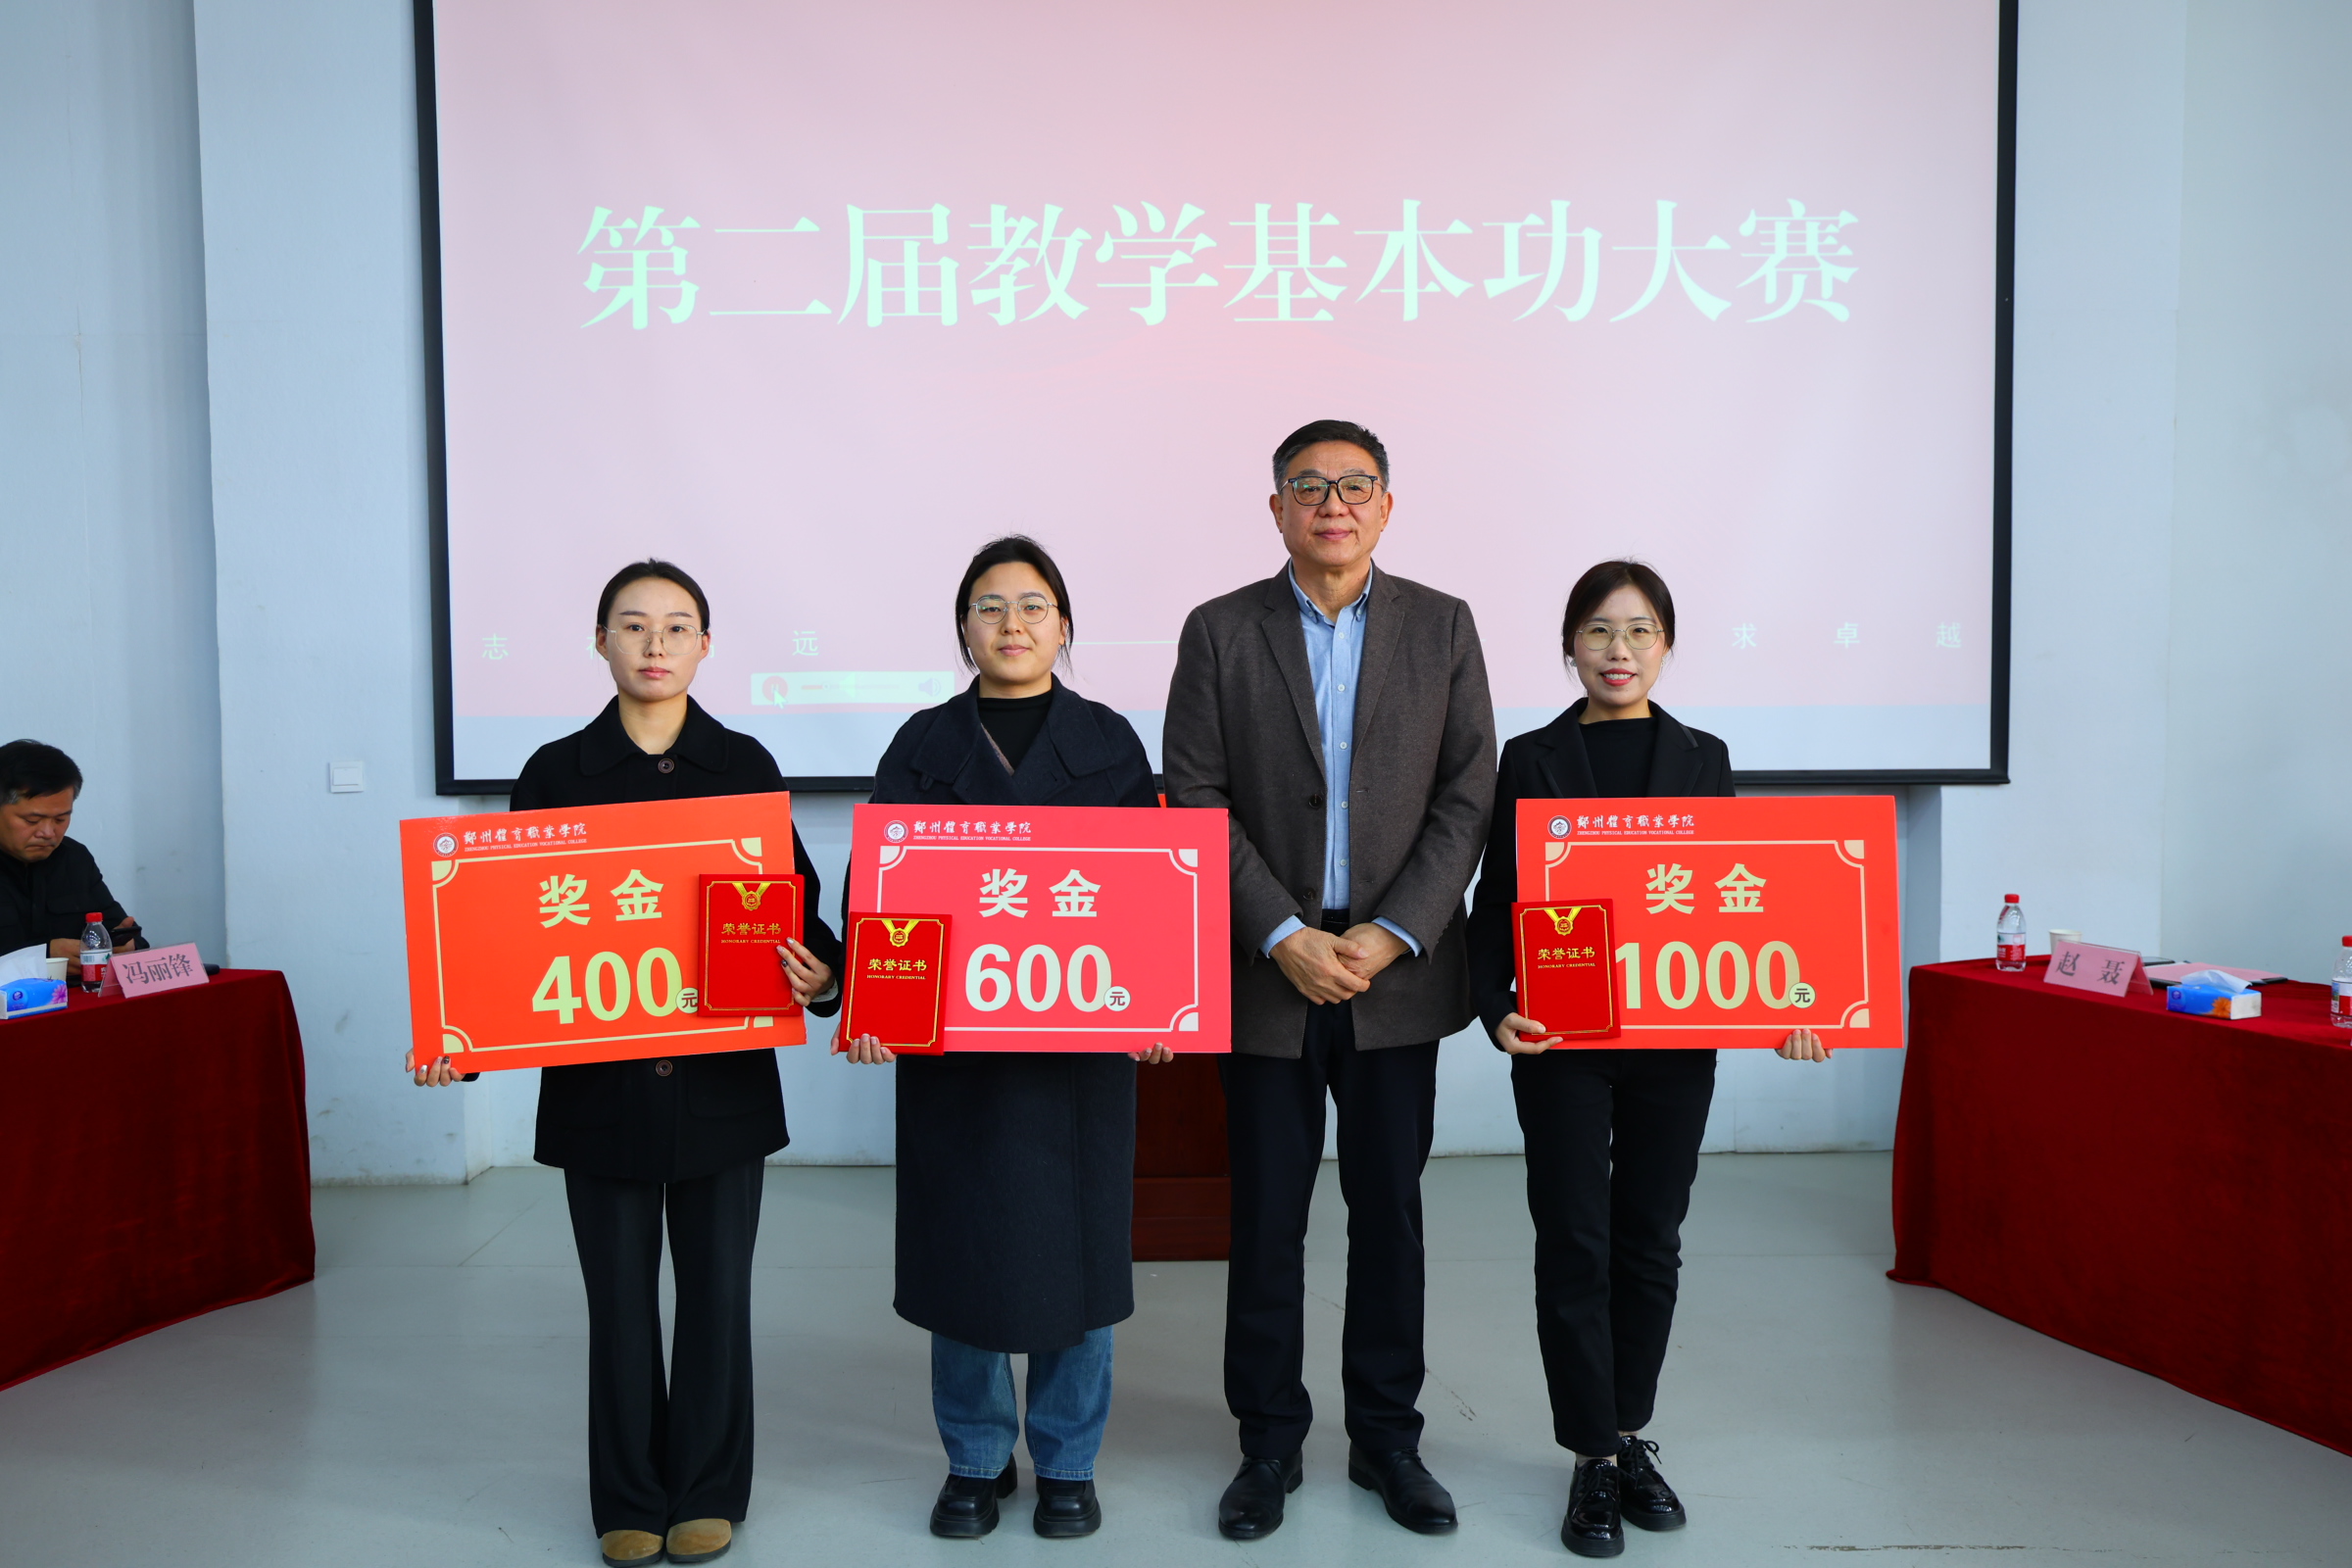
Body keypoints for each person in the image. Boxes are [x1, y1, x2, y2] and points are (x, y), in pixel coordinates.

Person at [416, 560, 843, 1568]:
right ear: (600, 640)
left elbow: (796, 906)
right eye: (634, 624)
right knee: (617, 1305)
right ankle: (628, 1496)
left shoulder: (743, 763)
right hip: (600, 1089)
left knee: (717, 1300)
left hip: (723, 1086)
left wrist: (822, 975)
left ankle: (708, 1488)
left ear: (705, 646)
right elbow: (512, 936)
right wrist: (459, 1040)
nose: (656, 643)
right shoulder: (554, 773)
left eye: (677, 625)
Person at [1162, 420, 1496, 1541]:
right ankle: (1268, 1442)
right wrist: (1281, 933)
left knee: (1388, 1213)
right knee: (1265, 1218)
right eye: (1309, 487)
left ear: (1387, 506)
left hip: (1396, 975)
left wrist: (1395, 932)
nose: (1333, 505)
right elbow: (1195, 795)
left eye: (1355, 486)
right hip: (1269, 974)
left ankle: (1387, 1438)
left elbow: (1468, 794)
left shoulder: (1443, 626)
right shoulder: (1220, 631)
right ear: (1277, 510)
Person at [1464, 559, 1828, 1559]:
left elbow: (1738, 899)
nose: (1617, 650)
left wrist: (1794, 1004)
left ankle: (1627, 1434)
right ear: (1568, 645)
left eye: (1638, 632)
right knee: (1574, 1238)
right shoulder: (1531, 757)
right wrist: (1494, 1008)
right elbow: (1496, 900)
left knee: (1651, 1239)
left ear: (1666, 646)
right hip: (1563, 1040)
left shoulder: (1705, 756)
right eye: (1597, 630)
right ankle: (1590, 1453)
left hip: (1673, 1044)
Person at [835, 535, 1168, 1541]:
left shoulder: (1110, 741)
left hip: (1079, 1058)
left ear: (1064, 627)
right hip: (958, 1061)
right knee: (964, 1256)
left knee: (1081, 1259)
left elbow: (1152, 894)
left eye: (1032, 606)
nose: (1011, 623)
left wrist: (1161, 1002)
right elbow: (878, 887)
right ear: (963, 628)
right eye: (989, 606)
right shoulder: (921, 745)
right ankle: (975, 1460)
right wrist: (871, 1002)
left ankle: (1068, 1461)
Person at [0, 740, 143, 970]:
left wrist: (123, 946)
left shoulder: (74, 858)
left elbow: (118, 929)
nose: (48, 833)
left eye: (60, 819)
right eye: (32, 820)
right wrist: (41, 958)